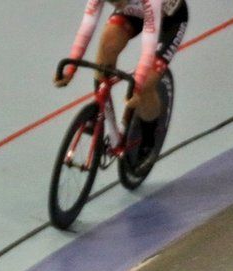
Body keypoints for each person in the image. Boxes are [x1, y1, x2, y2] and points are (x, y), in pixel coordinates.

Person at [55, 0, 188, 164]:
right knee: (106, 46)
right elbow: (87, 27)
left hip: (168, 21)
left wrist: (138, 86)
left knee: (146, 85)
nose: (114, 4)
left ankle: (149, 135)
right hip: (134, 12)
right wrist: (71, 68)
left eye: (117, 1)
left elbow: (148, 48)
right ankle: (103, 117)